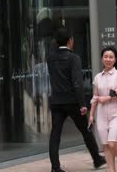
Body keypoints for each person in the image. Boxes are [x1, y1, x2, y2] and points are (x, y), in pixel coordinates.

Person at [47, 28, 106, 172]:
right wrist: (82, 104)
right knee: (86, 131)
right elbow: (77, 83)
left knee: (55, 134)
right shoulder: (74, 58)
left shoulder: (50, 57)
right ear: (70, 41)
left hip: (56, 101)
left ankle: (55, 167)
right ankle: (97, 159)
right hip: (72, 101)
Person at [89, 47, 117, 172]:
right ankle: (112, 169)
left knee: (113, 143)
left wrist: (108, 97)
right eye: (105, 56)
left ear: (115, 59)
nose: (108, 59)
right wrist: (91, 115)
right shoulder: (97, 77)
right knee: (106, 144)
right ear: (102, 58)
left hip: (116, 113)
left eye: (111, 57)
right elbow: (95, 97)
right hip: (101, 114)